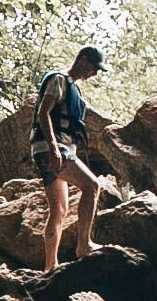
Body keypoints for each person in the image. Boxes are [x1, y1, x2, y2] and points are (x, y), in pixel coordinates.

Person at [33, 46, 110, 274]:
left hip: (50, 149)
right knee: (92, 185)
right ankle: (84, 245)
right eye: (93, 68)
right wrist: (54, 148)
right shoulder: (58, 79)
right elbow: (43, 113)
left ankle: (50, 266)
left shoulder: (73, 88)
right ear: (82, 60)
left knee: (59, 209)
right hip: (53, 148)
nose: (94, 74)